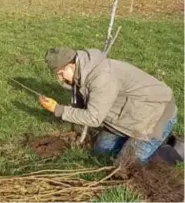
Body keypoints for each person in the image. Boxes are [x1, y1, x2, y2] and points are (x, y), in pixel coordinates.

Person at [38, 48, 178, 164]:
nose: (60, 79)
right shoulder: (84, 70)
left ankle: (168, 151)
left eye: (61, 74)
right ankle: (131, 143)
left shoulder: (102, 77)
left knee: (126, 167)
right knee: (100, 154)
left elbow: (93, 118)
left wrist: (58, 109)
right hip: (127, 116)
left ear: (71, 65)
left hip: (154, 116)